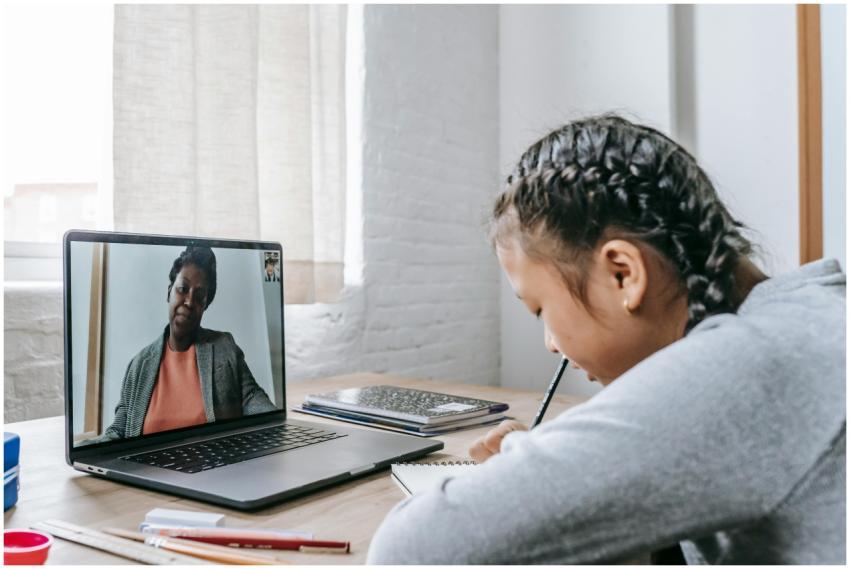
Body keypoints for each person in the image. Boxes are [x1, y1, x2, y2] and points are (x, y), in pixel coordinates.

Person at [367, 115, 845, 564]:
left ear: (623, 274)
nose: (552, 344)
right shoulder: (806, 320)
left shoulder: (751, 365)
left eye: (540, 311)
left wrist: (524, 465)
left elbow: (411, 549)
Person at [85, 246, 277, 444]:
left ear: (205, 305)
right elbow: (118, 431)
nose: (189, 301)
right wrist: (80, 450)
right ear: (170, 292)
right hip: (147, 471)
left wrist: (280, 430)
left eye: (199, 295)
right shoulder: (139, 365)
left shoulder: (224, 347)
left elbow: (253, 399)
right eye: (183, 289)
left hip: (215, 469)